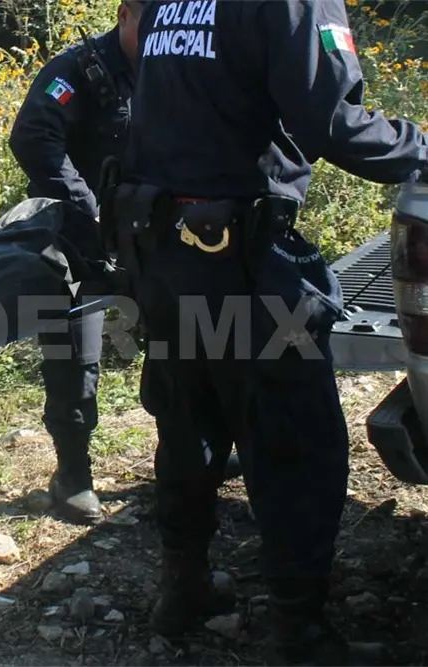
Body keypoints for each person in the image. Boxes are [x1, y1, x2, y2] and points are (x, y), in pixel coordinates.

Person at [107, 0, 428, 663]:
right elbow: (334, 123)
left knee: (189, 419)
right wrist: (421, 147)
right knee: (294, 437)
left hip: (159, 251)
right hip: (238, 260)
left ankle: (184, 588)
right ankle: (299, 634)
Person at [9, 0, 241, 525]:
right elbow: (33, 138)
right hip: (77, 237)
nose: (163, 33)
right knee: (75, 359)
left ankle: (188, 454)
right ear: (125, 16)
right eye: (151, 22)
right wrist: (88, 210)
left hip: (147, 235)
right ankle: (72, 475)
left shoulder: (178, 64)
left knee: (180, 348)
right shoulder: (78, 70)